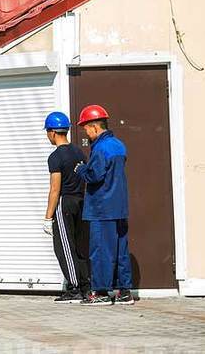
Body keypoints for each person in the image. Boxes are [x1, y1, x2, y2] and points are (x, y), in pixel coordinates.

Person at [75, 104, 134, 306]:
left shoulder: (100, 148)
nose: (85, 132)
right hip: (119, 207)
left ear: (94, 126)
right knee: (120, 250)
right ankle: (125, 292)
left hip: (102, 207)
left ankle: (100, 292)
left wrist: (81, 169)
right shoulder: (118, 145)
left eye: (85, 128)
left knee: (100, 251)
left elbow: (94, 175)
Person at [42, 112, 90, 303]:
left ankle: (74, 287)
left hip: (65, 202)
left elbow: (55, 189)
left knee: (64, 247)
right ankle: (86, 286)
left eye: (47, 132)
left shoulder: (55, 157)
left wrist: (48, 217)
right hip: (80, 200)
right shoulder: (79, 152)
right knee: (79, 246)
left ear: (53, 132)